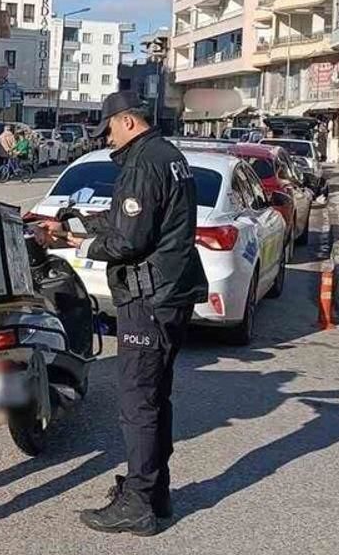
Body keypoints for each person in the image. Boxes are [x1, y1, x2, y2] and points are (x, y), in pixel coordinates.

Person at [36, 91, 207, 537]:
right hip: (170, 293)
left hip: (148, 299)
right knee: (155, 397)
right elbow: (130, 218)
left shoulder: (142, 164)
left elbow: (128, 241)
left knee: (137, 403)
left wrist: (76, 244)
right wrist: (73, 224)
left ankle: (139, 503)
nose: (107, 139)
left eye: (109, 129)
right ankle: (155, 492)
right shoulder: (168, 156)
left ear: (127, 122)